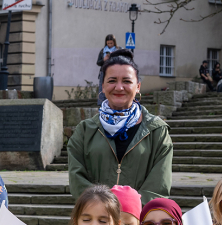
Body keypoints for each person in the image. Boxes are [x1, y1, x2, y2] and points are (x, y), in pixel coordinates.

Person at [68, 50, 174, 203]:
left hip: (138, 222)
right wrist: (105, 211)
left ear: (137, 86)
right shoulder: (84, 131)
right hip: (97, 221)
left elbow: (158, 187)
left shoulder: (157, 131)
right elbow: (77, 181)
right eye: (112, 81)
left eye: (126, 81)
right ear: (103, 86)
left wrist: (128, 213)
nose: (119, 87)